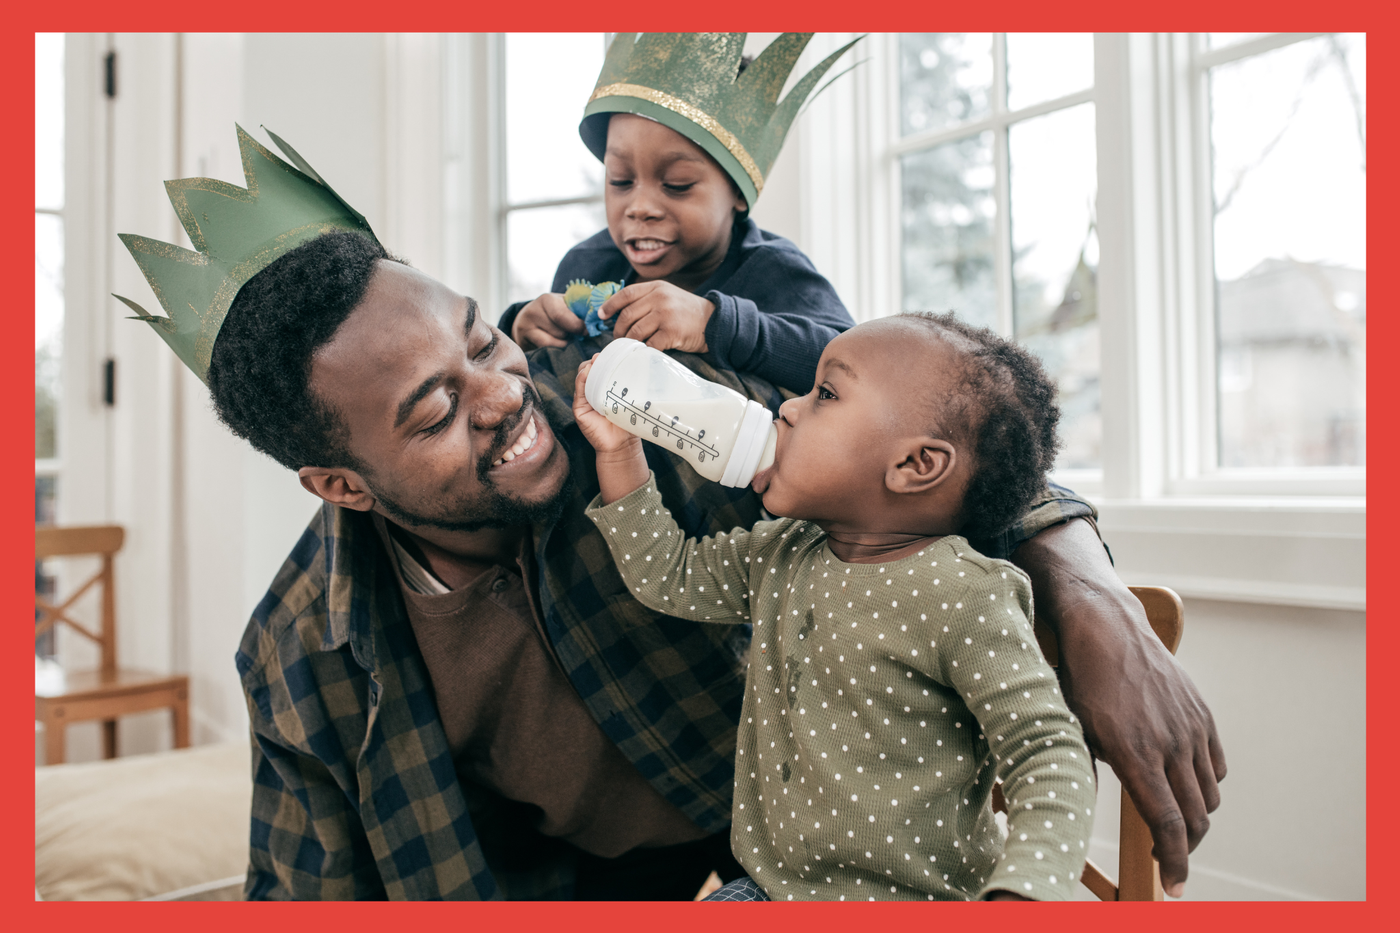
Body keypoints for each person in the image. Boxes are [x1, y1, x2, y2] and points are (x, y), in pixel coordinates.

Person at [120, 125, 1222, 901]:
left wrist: (1083, 583)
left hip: (799, 844)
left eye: (480, 337)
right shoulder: (303, 651)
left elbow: (928, 434)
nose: (506, 396)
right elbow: (309, 893)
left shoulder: (640, 408)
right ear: (341, 485)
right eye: (436, 410)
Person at [575, 313, 1097, 901]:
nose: (790, 409)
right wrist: (619, 452)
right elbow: (667, 575)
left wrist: (1022, 892)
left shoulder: (965, 596)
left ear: (914, 465)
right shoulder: (782, 550)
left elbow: (1047, 751)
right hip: (772, 891)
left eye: (824, 394)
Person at [500, 33, 861, 394]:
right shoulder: (588, 265)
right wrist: (518, 333)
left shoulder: (773, 269)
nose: (639, 207)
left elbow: (857, 364)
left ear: (738, 191)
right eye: (620, 180)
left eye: (677, 183)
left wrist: (713, 324)